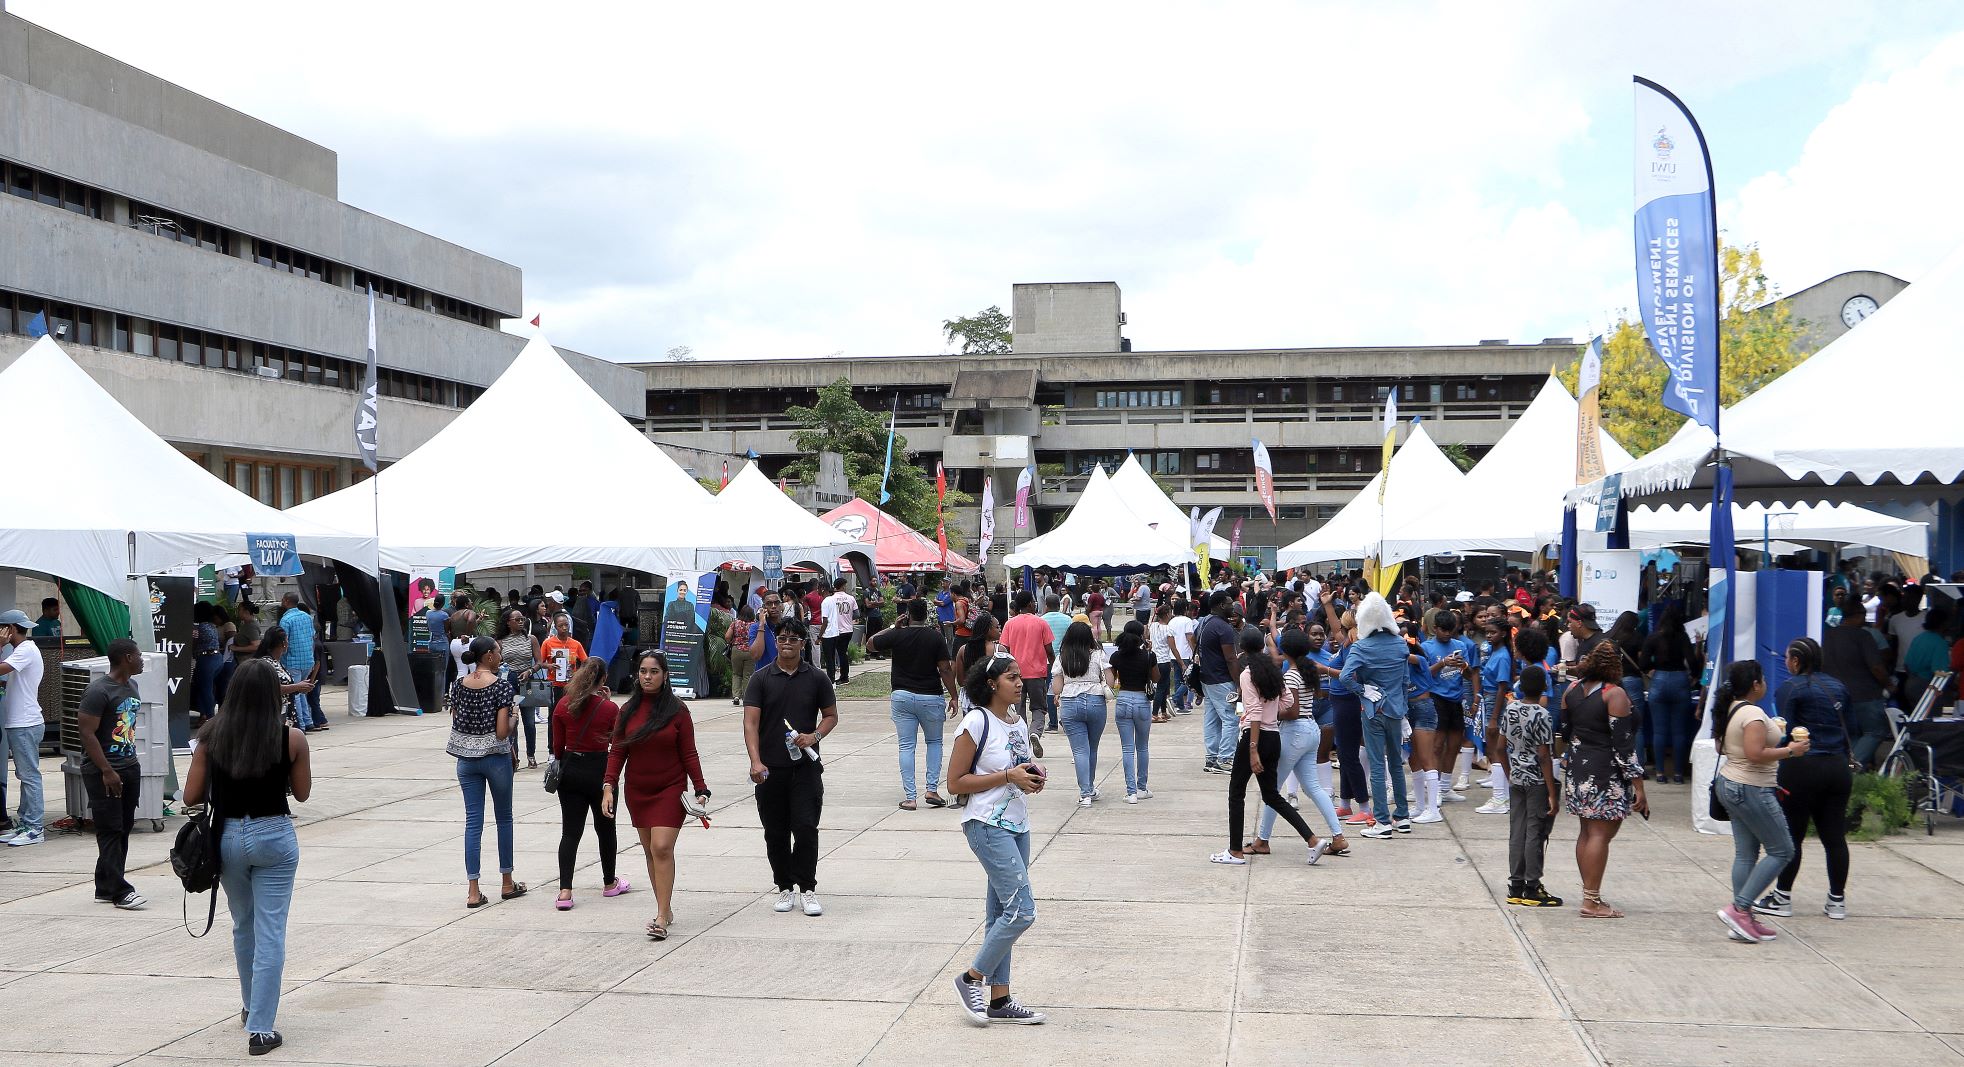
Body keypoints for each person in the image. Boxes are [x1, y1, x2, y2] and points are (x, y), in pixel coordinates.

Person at [183, 658, 311, 1057]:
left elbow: (189, 796)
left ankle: (249, 1005)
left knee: (243, 925)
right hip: (274, 833)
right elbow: (302, 793)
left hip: (228, 836)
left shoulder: (211, 737)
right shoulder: (291, 738)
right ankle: (262, 1028)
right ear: (275, 695)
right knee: (271, 929)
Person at [947, 654, 1049, 1026]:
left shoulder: (1017, 722)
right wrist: (1008, 776)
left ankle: (999, 998)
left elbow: (1017, 767)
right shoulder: (976, 722)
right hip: (987, 825)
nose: (1020, 682)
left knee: (999, 914)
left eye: (1020, 676)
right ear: (992, 684)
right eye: (1011, 677)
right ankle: (970, 979)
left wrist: (1031, 776)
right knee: (1022, 911)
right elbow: (955, 783)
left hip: (1017, 824)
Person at [603, 650, 710, 940]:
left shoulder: (677, 710)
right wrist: (608, 786)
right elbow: (618, 752)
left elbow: (689, 752)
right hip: (638, 790)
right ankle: (665, 907)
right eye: (642, 671)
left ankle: (661, 917)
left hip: (670, 788)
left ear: (665, 676)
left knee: (662, 847)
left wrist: (700, 788)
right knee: (651, 851)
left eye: (653, 671)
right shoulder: (627, 710)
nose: (647, 676)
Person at [742, 618, 837, 917]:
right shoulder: (760, 678)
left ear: (802, 643)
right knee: (776, 831)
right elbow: (750, 723)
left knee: (806, 827)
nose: (787, 643)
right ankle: (784, 886)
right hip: (770, 770)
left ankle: (807, 888)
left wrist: (815, 735)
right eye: (782, 637)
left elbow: (831, 715)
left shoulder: (816, 678)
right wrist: (755, 761)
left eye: (793, 639)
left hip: (805, 769)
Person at [1758, 637, 1853, 922]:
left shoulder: (1791, 687)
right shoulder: (1839, 687)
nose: (1785, 662)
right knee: (1835, 837)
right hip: (1837, 767)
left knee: (1792, 837)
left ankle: (1783, 896)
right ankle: (1837, 900)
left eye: (1787, 657)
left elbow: (1782, 730)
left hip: (1801, 767)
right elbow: (1854, 726)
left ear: (1796, 661)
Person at [1215, 628, 1327, 865]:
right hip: (1273, 737)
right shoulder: (1273, 671)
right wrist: (1269, 709)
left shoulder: (1248, 674)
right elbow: (1287, 701)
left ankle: (1235, 850)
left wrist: (1253, 747)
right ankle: (1312, 839)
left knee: (1236, 791)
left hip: (1254, 737)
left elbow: (1254, 712)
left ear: (1242, 649)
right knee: (1271, 795)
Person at [1712, 660, 1805, 942]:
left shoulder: (1731, 708)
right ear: (1755, 685)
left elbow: (1721, 746)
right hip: (1751, 786)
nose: (1765, 683)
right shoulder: (1751, 713)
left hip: (1731, 782)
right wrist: (1791, 750)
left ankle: (1744, 918)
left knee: (1746, 853)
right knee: (1782, 850)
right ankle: (1740, 909)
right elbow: (1755, 753)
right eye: (1763, 679)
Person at [1564, 642, 1647, 919]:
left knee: (1587, 832)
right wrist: (1639, 786)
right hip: (1605, 773)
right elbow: (1623, 745)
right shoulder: (1615, 695)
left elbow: (1564, 730)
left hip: (1578, 769)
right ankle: (1591, 901)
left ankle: (1590, 894)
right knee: (1600, 835)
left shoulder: (1571, 690)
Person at [1247, 628, 1347, 858]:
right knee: (1313, 787)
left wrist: (1268, 712)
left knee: (1272, 790)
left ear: (1285, 650)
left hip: (1295, 731)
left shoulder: (1291, 674)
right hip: (1311, 729)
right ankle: (1338, 836)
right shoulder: (1308, 668)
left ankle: (1262, 840)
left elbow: (1290, 711)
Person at [448, 636, 525, 909]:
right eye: (498, 652)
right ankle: (506, 881)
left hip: (466, 761)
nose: (500, 655)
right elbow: (502, 731)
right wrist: (514, 717)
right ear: (489, 656)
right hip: (495, 759)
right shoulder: (502, 686)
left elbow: (456, 718)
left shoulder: (459, 684)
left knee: (473, 823)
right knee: (504, 819)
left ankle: (473, 890)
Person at [549, 658, 629, 912]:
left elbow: (557, 748)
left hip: (571, 770)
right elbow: (614, 742)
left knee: (570, 832)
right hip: (600, 771)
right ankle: (609, 882)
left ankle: (565, 891)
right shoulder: (609, 709)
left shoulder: (563, 705)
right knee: (606, 828)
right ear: (603, 679)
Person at [76, 639, 147, 907]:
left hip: (128, 766)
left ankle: (105, 887)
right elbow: (86, 733)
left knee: (124, 827)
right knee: (110, 829)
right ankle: (120, 891)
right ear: (127, 657)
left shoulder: (132, 686)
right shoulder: (98, 691)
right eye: (139, 655)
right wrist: (106, 770)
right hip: (103, 771)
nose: (142, 660)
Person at [870, 598, 960, 810]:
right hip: (930, 697)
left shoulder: (897, 634)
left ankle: (910, 797)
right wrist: (953, 695)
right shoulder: (935, 637)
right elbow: (945, 669)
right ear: (927, 616)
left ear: (908, 614)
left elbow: (870, 643)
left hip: (902, 696)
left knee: (906, 746)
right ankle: (931, 789)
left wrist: (893, 626)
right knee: (934, 742)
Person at [1341, 592, 1412, 838]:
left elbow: (1344, 677)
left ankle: (1382, 821)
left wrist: (1362, 690)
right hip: (1396, 710)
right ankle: (1402, 817)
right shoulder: (1400, 644)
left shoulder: (1361, 646)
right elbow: (1405, 681)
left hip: (1372, 711)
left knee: (1378, 765)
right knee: (1396, 763)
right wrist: (1404, 713)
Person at [1496, 665, 1562, 907]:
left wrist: (1509, 772)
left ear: (1520, 687)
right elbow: (1544, 755)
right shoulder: (1542, 714)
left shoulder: (1511, 708)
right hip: (1536, 780)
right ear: (1544, 686)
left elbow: (1500, 747)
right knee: (1535, 831)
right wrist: (1552, 793)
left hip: (1517, 779)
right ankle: (1532, 887)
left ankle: (1515, 885)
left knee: (1517, 831)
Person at [1821, 591, 1892, 768]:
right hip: (1865, 694)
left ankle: (1850, 772)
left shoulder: (1828, 636)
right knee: (1875, 731)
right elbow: (1876, 667)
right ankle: (1851, 769)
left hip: (1835, 694)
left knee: (1852, 735)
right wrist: (1889, 684)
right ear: (1857, 615)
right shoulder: (1863, 636)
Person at [1052, 620, 1112, 807]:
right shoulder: (1097, 655)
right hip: (1095, 700)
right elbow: (1109, 678)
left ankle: (1085, 793)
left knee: (1079, 750)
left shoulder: (1062, 656)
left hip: (1070, 701)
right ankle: (1090, 787)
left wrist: (1057, 695)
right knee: (1092, 748)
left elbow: (1056, 684)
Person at [0, 610, 46, 846]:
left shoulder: (26, 650)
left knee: (29, 776)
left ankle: (35, 828)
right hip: (21, 722)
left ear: (10, 628)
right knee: (24, 774)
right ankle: (26, 823)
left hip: (25, 722)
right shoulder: (22, 651)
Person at [1639, 604, 1700, 783]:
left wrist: (1651, 671)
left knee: (1659, 731)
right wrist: (1693, 677)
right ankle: (1678, 774)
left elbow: (1643, 662)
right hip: (1680, 680)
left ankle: (1659, 773)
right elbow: (1692, 662)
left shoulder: (1653, 638)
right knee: (1679, 731)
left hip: (1659, 680)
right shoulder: (1682, 637)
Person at [998, 591, 1056, 749]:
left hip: (1014, 675)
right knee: (1038, 707)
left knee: (1019, 707)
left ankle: (1023, 738)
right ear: (1030, 603)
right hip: (1037, 674)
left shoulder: (1010, 624)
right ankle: (1035, 732)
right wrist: (1054, 667)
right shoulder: (1041, 623)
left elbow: (1004, 649)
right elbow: (1049, 650)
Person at [1108, 620, 1157, 804]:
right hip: (1142, 699)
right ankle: (1142, 787)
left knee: (1127, 749)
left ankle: (1131, 792)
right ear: (1141, 636)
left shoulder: (1117, 656)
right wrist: (1150, 652)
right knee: (1142, 746)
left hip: (1124, 699)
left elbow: (1111, 681)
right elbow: (1156, 677)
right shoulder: (1147, 656)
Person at [1194, 592, 1243, 774]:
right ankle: (1225, 759)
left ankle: (1212, 758)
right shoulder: (1224, 628)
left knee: (1212, 718)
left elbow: (1194, 641)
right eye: (1231, 603)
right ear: (1222, 605)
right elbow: (1230, 658)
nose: (1233, 606)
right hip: (1222, 679)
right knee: (1232, 717)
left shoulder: (1205, 622)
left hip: (1207, 678)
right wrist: (1239, 683)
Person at [497, 609, 545, 769]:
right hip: (510, 683)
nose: (520, 621)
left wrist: (530, 670)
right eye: (516, 619)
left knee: (530, 722)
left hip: (527, 683)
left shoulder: (530, 639)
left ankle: (531, 755)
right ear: (508, 622)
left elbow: (539, 661)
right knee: (513, 721)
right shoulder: (501, 642)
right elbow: (497, 662)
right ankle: (514, 758)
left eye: (522, 619)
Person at [276, 595, 323, 733]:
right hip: (307, 659)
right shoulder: (307, 617)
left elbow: (284, 641)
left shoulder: (286, 620)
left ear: (286, 601)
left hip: (292, 659)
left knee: (295, 692)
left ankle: (300, 724)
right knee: (302, 691)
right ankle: (308, 721)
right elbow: (312, 637)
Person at [1902, 605, 1953, 711]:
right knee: (1940, 720)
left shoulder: (1919, 638)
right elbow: (1940, 673)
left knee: (1918, 720)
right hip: (1928, 687)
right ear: (1943, 623)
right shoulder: (1940, 643)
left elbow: (1906, 664)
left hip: (1911, 684)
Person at [540, 612, 589, 705]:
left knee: (570, 709)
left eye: (566, 625)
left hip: (571, 684)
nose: (564, 628)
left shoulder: (576, 644)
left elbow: (586, 662)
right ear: (555, 627)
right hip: (554, 684)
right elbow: (540, 663)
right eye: (561, 625)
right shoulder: (547, 643)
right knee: (554, 710)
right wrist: (550, 666)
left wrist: (578, 674)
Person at [819, 578, 857, 684]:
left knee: (831, 655)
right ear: (843, 586)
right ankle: (844, 675)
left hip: (835, 630)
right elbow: (857, 614)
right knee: (842, 653)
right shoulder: (851, 598)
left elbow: (826, 618)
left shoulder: (831, 599)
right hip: (848, 628)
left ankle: (837, 676)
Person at [1148, 601, 1177, 723]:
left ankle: (1164, 711)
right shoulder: (1168, 629)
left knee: (1164, 687)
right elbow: (1173, 648)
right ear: (1166, 614)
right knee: (1161, 687)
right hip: (1164, 660)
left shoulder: (1153, 626)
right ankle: (1155, 713)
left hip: (1155, 660)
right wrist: (1180, 662)